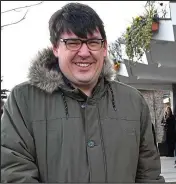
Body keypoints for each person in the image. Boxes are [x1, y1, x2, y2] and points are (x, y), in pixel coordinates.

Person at [1, 3, 164, 183]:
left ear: (104, 48)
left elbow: (149, 175)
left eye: (93, 42)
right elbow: (14, 173)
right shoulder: (24, 101)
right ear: (55, 48)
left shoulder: (134, 102)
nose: (84, 52)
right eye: (73, 43)